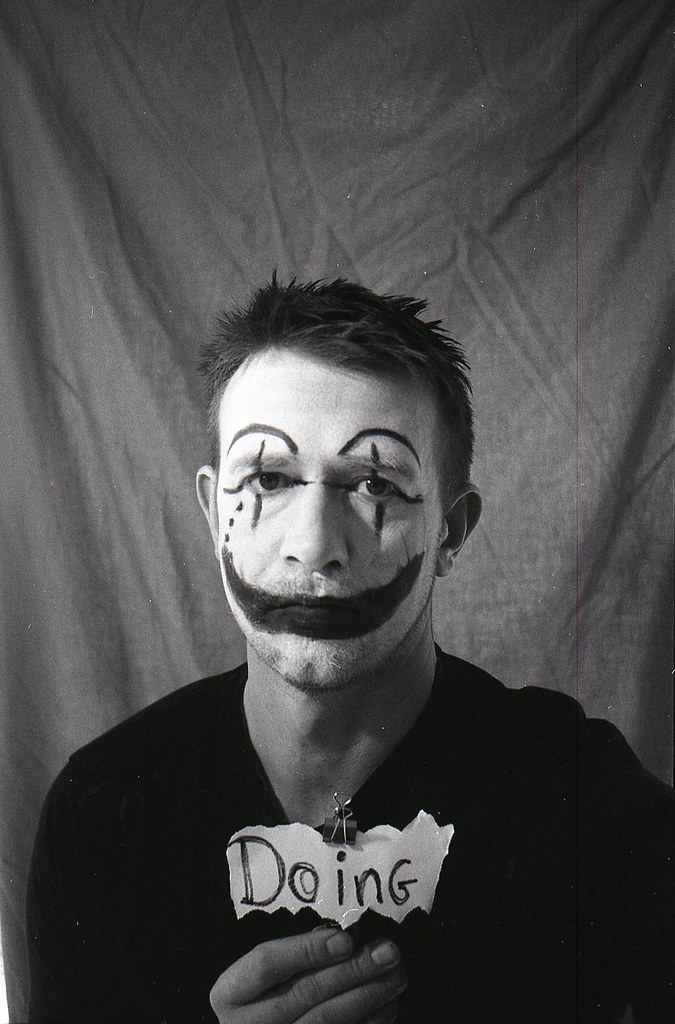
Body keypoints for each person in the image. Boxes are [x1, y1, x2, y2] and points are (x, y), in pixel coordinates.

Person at [27, 277, 672, 1023]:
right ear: (211, 514)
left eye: (374, 484)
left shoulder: (588, 809)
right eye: (268, 478)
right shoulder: (103, 813)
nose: (314, 546)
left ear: (452, 531)